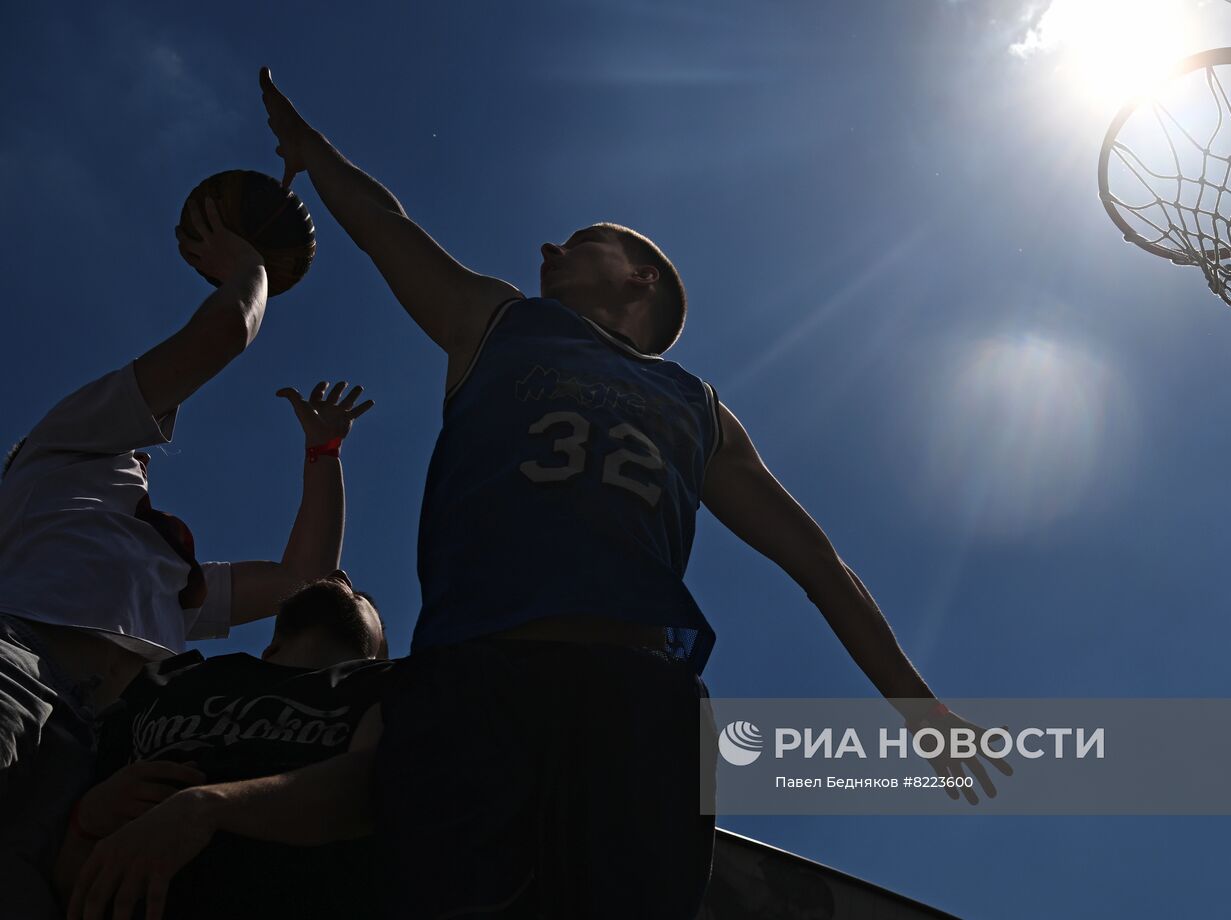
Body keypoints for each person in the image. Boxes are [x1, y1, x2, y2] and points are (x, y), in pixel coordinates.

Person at [259, 65, 1011, 918]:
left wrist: (916, 702)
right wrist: (312, 151)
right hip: (475, 673)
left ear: (640, 277)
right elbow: (382, 223)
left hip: (636, 695)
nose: (548, 250)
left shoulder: (700, 409)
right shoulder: (496, 320)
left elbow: (815, 559)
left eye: (581, 242)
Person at [0, 194, 374, 919]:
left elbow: (304, 580)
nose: (151, 440)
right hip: (22, 667)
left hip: (100, 749)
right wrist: (248, 267)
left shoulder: (165, 574)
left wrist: (323, 454)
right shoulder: (63, 447)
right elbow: (223, 334)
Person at [59, 573, 392, 920]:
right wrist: (86, 820)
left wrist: (207, 808)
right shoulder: (166, 680)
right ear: (270, 645)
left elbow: (373, 785)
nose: (340, 577)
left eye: (359, 593)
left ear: (378, 653)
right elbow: (65, 883)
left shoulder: (387, 688)